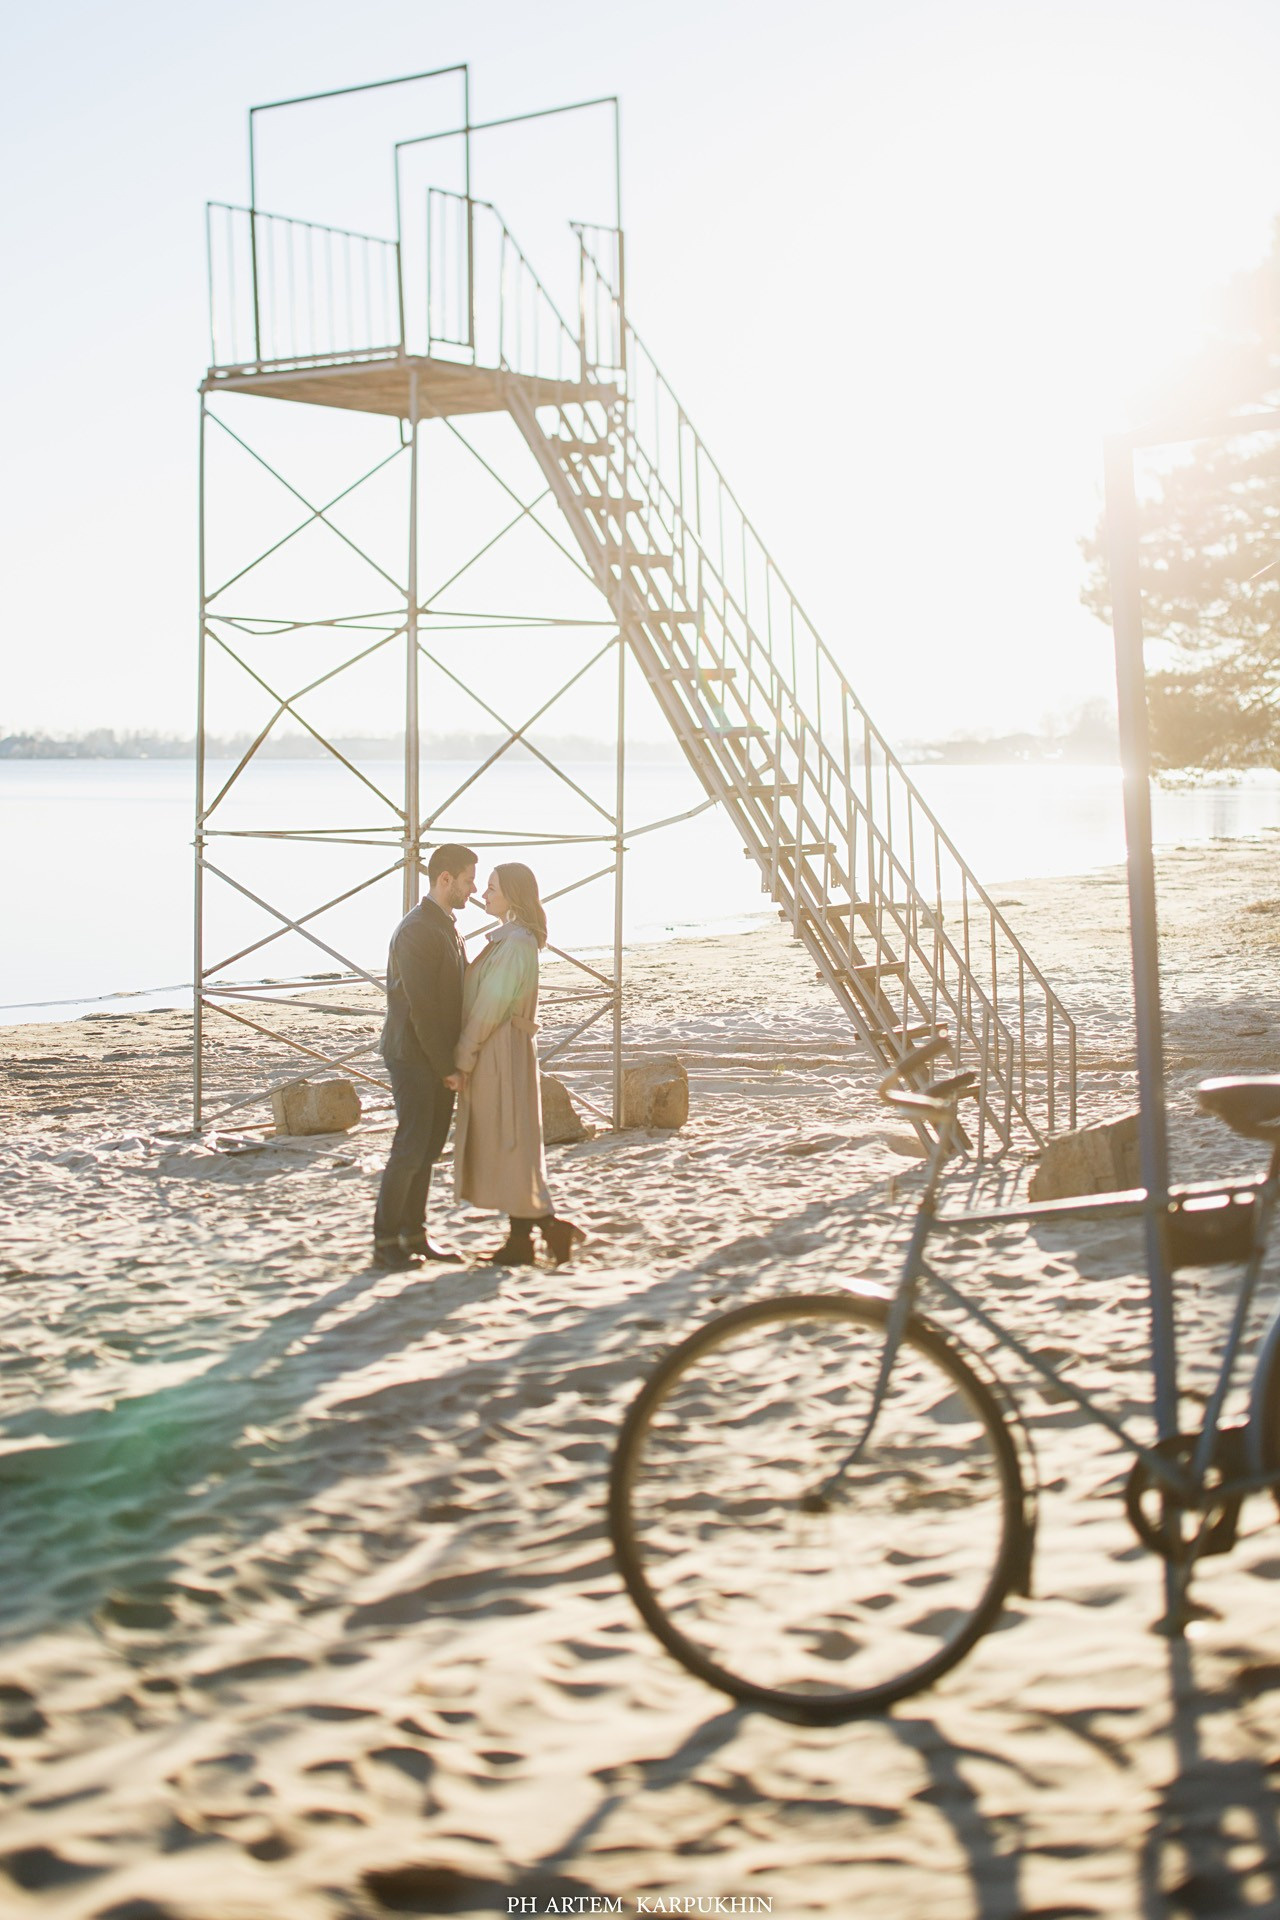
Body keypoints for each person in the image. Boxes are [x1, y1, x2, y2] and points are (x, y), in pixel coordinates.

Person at [445, 863, 586, 1267]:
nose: (483, 895)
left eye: (491, 889)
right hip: (501, 1049)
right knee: (511, 1145)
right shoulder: (511, 940)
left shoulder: (517, 944)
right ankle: (529, 1237)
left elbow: (490, 1007)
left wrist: (464, 1056)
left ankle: (537, 1233)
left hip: (499, 1051)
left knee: (510, 1142)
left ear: (512, 895)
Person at [373, 843, 478, 1271]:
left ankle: (414, 1235)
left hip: (433, 1054)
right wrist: (446, 1068)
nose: (472, 889)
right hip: (413, 1054)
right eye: (469, 881)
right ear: (445, 879)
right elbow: (421, 1008)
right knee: (411, 1145)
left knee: (430, 1147)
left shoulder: (444, 925)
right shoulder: (418, 929)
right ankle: (385, 1243)